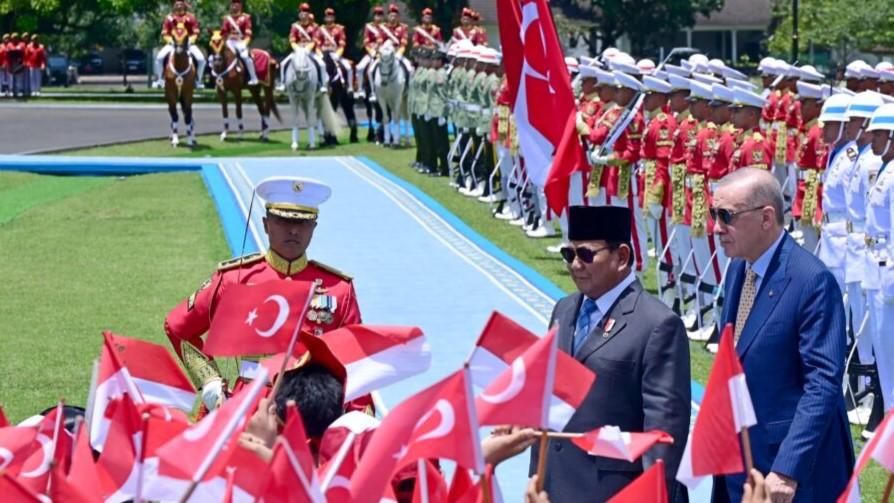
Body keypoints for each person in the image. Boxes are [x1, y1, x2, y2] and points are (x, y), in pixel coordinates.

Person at [711, 167, 854, 502]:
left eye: (726, 216)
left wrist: (788, 469)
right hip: (739, 458)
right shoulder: (739, 268)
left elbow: (822, 384)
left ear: (766, 217)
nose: (716, 227)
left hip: (785, 471)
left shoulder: (811, 281)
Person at [531, 205, 690, 502]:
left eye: (586, 255)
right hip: (554, 486)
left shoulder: (657, 325)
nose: (575, 264)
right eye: (569, 254)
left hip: (614, 492)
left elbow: (663, 434)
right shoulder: (564, 310)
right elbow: (547, 402)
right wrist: (536, 476)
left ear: (622, 257)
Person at [164, 177, 361, 411]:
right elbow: (179, 328)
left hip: (311, 413)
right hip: (248, 405)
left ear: (314, 227)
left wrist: (356, 418)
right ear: (266, 224)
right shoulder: (235, 278)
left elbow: (357, 360)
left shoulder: (338, 288)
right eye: (283, 220)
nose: (293, 230)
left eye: (303, 223)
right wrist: (210, 382)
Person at [153, 0, 206, 89]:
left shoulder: (191, 17)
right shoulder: (169, 18)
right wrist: (170, 40)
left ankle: (198, 80)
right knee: (159, 58)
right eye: (177, 4)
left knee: (201, 60)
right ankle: (160, 79)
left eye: (180, 4)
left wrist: (191, 40)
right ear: (174, 6)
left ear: (184, 5)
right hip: (173, 44)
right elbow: (165, 33)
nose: (179, 6)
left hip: (188, 44)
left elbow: (195, 32)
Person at [220, 0, 259, 86]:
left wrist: (244, 43)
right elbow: (223, 33)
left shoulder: (246, 17)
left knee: (245, 57)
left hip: (241, 42)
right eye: (233, 3)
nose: (234, 5)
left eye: (236, 3)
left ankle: (253, 77)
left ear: (240, 5)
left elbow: (248, 33)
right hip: (229, 42)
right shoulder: (227, 18)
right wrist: (227, 39)